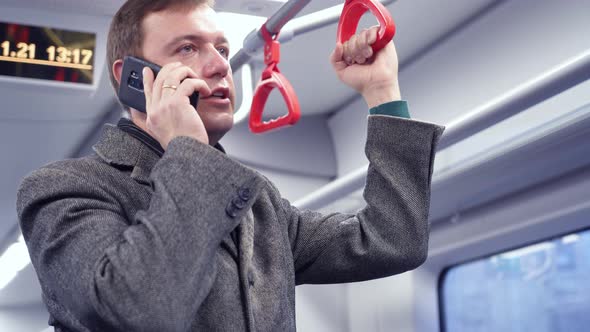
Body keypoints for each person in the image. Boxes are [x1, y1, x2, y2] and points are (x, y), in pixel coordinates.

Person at [16, 0, 445, 331]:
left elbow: (392, 240)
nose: (221, 64)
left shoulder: (259, 204)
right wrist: (187, 147)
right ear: (135, 78)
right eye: (188, 48)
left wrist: (382, 91)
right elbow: (141, 309)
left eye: (221, 48)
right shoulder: (63, 189)